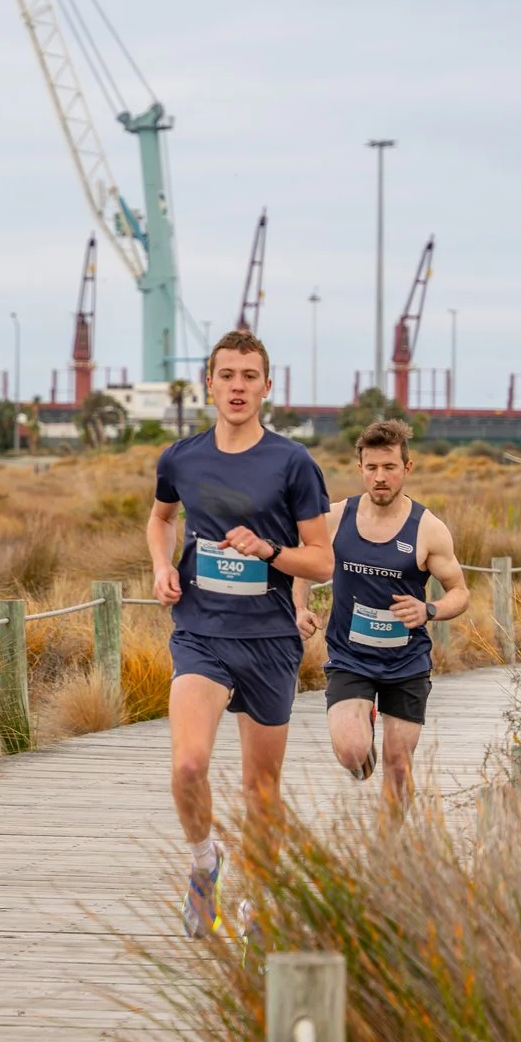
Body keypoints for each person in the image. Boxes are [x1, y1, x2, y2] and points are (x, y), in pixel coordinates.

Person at [145, 329, 333, 937]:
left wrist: (269, 549)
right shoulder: (181, 457)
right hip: (201, 631)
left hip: (270, 641)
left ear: (266, 387)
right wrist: (161, 566)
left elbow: (322, 559)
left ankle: (259, 899)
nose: (237, 387)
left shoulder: (292, 463)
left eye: (249, 376)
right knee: (188, 766)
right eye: (227, 375)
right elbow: (160, 520)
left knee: (260, 789)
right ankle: (205, 863)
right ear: (210, 382)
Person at [322, 418, 468, 812]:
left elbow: (460, 592)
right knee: (354, 754)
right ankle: (362, 723)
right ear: (361, 470)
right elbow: (306, 561)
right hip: (350, 657)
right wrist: (299, 606)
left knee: (398, 767)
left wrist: (429, 609)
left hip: (406, 663)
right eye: (372, 468)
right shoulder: (336, 518)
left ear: (407, 467)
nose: (380, 477)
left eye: (389, 467)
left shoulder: (428, 529)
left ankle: (387, 856)